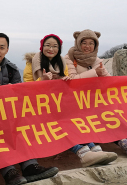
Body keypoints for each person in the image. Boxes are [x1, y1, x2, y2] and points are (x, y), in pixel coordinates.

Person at [0, 33, 59, 185]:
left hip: (8, 115)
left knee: (23, 126)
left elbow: (21, 94)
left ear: (7, 50)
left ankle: (29, 166)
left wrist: (35, 85)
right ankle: (9, 171)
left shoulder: (12, 69)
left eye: (2, 47)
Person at [24, 33, 117, 167]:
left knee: (75, 119)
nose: (51, 49)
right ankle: (83, 153)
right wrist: (42, 81)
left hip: (60, 104)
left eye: (55, 46)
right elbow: (25, 89)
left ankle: (93, 148)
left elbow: (67, 87)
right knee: (60, 124)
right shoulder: (31, 64)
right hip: (40, 108)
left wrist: (66, 81)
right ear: (42, 47)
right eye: (48, 45)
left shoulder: (62, 63)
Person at [64, 29, 127, 160]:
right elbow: (72, 80)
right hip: (79, 103)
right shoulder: (69, 58)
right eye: (84, 42)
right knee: (103, 116)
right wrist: (95, 72)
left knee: (116, 111)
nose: (87, 46)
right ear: (78, 42)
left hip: (98, 98)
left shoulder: (95, 59)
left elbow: (110, 80)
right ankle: (121, 141)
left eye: (91, 43)